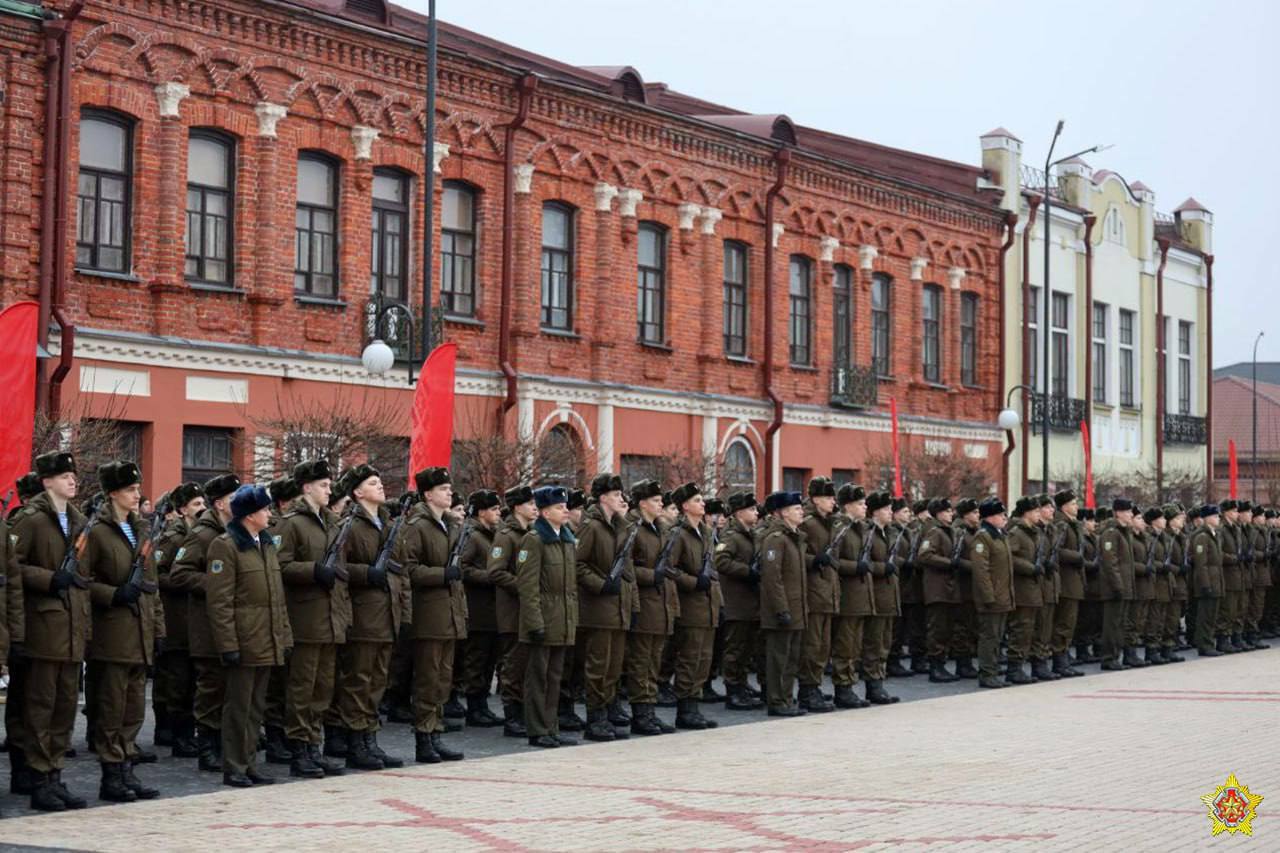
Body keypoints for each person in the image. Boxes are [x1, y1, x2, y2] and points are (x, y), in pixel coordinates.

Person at [11, 452, 89, 811]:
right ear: (46, 481)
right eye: (64, 475)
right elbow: (12, 568)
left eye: (72, 475)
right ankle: (38, 778)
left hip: (71, 628)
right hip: (43, 629)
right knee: (40, 708)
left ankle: (55, 774)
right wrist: (47, 579)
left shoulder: (77, 520)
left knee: (64, 707)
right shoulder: (30, 520)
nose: (72, 480)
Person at [83, 461, 162, 803]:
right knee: (111, 708)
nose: (136, 495)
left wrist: (158, 628)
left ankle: (127, 767)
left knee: (133, 709)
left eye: (137, 489)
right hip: (112, 634)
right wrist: (113, 594)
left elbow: (152, 584)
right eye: (130, 490)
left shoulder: (141, 529)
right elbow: (82, 582)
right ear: (113, 493)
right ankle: (111, 775)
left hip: (140, 630)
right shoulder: (96, 531)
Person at [207, 484, 292, 787]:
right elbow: (220, 602)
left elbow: (276, 597)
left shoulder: (266, 544)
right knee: (238, 708)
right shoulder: (226, 546)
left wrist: (283, 635)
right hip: (244, 640)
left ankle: (249, 762)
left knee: (256, 707)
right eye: (265, 509)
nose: (270, 513)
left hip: (265, 639)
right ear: (250, 514)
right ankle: (234, 766)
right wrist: (228, 644)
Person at [331, 465, 409, 770]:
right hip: (363, 615)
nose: (380, 487)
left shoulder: (388, 523)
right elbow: (338, 568)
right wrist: (367, 573)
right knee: (357, 682)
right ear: (357, 492)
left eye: (380, 481)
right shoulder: (349, 525)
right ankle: (354, 742)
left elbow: (401, 572)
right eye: (372, 483)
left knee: (377, 682)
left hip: (387, 614)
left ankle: (369, 739)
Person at [277, 459, 350, 778]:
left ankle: (314, 745)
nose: (329, 490)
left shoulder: (333, 523)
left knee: (322, 689)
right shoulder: (291, 523)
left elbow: (341, 573)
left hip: (330, 618)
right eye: (323, 485)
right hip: (305, 619)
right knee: (302, 689)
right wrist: (311, 571)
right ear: (306, 488)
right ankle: (299, 749)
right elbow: (279, 567)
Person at [169, 473, 240, 772]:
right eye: (235, 499)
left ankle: (225, 743)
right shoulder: (202, 534)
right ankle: (207, 746)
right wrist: (216, 583)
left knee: (229, 688)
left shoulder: (239, 531)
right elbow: (179, 573)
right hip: (207, 625)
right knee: (210, 688)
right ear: (221, 503)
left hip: (234, 623)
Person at [396, 466, 467, 763]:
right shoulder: (417, 526)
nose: (449, 493)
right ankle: (424, 739)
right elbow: (408, 569)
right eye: (443, 489)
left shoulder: (449, 525)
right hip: (429, 615)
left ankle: (436, 732)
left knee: (442, 680)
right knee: (427, 680)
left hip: (449, 615)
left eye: (449, 489)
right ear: (427, 494)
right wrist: (442, 573)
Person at [575, 474, 639, 742]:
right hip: (598, 608)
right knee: (598, 666)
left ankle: (607, 712)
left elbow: (629, 570)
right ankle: (595, 718)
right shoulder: (591, 527)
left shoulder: (622, 526)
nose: (620, 499)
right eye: (615, 495)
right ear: (603, 497)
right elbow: (578, 565)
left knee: (613, 667)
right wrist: (600, 585)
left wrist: (633, 604)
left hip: (619, 606)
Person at [517, 485, 580, 749]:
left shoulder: (565, 539)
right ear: (544, 512)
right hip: (543, 618)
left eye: (565, 507)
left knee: (555, 678)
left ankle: (551, 726)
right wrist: (534, 623)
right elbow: (527, 585)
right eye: (558, 507)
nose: (565, 511)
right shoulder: (534, 540)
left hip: (562, 619)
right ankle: (537, 728)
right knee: (538, 678)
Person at [153, 481, 206, 757]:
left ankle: (186, 732)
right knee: (177, 680)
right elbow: (157, 574)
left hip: (193, 619)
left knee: (191, 681)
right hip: (176, 618)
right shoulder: (173, 537)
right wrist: (184, 581)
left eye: (202, 503)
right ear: (183, 509)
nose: (202, 509)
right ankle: (174, 733)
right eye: (196, 504)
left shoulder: (199, 533)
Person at [664, 482, 723, 730]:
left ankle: (694, 705)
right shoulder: (679, 534)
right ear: (685, 506)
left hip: (708, 606)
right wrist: (691, 582)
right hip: (690, 606)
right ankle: (685, 710)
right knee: (689, 659)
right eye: (697, 500)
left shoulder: (707, 533)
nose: (703, 504)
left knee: (703, 659)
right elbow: (667, 567)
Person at [623, 479, 679, 735]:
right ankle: (640, 713)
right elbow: (624, 565)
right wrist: (649, 576)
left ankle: (650, 710)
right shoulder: (631, 528)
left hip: (662, 604)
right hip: (644, 603)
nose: (660, 504)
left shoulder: (662, 528)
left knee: (653, 661)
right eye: (656, 500)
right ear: (643, 502)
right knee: (640, 662)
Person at [488, 485, 537, 738]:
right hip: (512, 610)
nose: (535, 508)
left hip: (529, 610)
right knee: (513, 666)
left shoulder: (532, 533)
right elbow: (495, 571)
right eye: (530, 504)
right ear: (518, 506)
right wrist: (524, 586)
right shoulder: (506, 535)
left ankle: (524, 713)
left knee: (527, 664)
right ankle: (512, 716)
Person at [459, 489, 505, 729]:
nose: (498, 513)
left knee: (489, 660)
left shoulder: (493, 535)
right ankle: (474, 706)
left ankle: (483, 705)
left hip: (493, 608)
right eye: (494, 509)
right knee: (476, 660)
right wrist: (489, 576)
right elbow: (462, 568)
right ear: (481, 512)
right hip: (477, 608)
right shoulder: (472, 535)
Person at [759, 491, 807, 716]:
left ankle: (787, 699)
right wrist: (781, 609)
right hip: (782, 610)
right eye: (797, 509)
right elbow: (772, 577)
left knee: (791, 659)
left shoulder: (794, 537)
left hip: (796, 609)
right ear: (785, 512)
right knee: (779, 659)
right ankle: (777, 701)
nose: (801, 512)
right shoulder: (776, 539)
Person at [714, 490, 763, 712]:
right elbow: (721, 562)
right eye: (751, 509)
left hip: (750, 601)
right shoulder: (731, 536)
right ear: (739, 512)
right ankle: (732, 689)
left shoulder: (750, 534)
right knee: (735, 649)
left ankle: (741, 686)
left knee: (746, 649)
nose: (756, 512)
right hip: (736, 601)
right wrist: (747, 571)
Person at [797, 477, 839, 713]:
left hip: (828, 591)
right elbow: (796, 555)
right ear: (816, 499)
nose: (833, 501)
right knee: (812, 645)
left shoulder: (829, 523)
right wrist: (815, 560)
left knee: (823, 645)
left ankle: (815, 685)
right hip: (814, 592)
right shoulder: (809, 524)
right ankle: (807, 689)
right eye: (828, 497)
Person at [830, 485, 872, 708]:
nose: (864, 507)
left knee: (855, 645)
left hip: (861, 594)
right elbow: (834, 559)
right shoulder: (841, 528)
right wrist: (856, 567)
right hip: (846, 594)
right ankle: (842, 687)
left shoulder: (861, 528)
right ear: (848, 506)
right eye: (859, 503)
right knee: (845, 645)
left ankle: (850, 684)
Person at [861, 492, 901, 705]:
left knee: (885, 641)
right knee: (873, 643)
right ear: (875, 511)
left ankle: (880, 680)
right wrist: (882, 568)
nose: (890, 513)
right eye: (886, 509)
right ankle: (872, 684)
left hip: (889, 595)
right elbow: (864, 561)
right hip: (875, 594)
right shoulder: (868, 532)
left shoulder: (890, 532)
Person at [971, 498, 1014, 689]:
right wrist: (988, 596)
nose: (1004, 518)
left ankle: (993, 671)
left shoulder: (999, 535)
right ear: (990, 517)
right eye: (1000, 515)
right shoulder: (983, 537)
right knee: (989, 636)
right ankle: (987, 673)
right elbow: (981, 570)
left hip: (1003, 595)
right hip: (992, 597)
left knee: (997, 637)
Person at [916, 498, 960, 683]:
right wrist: (948, 563)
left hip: (948, 588)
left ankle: (941, 664)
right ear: (939, 513)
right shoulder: (934, 532)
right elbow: (924, 555)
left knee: (946, 628)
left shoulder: (948, 531)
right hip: (937, 588)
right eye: (948, 511)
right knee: (937, 628)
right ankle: (936, 666)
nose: (951, 514)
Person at [1005, 497, 1043, 684]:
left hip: (1033, 588)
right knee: (1020, 628)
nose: (1039, 514)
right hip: (1022, 589)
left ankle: (1020, 666)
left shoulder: (1034, 533)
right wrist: (1030, 567)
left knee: (1029, 629)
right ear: (1027, 512)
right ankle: (1014, 668)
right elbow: (1009, 557)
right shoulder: (1016, 533)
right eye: (1036, 511)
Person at [1050, 491, 1085, 677]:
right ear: (1063, 507)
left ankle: (1063, 657)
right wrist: (1077, 556)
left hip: (1074, 580)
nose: (1076, 506)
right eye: (1072, 503)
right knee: (1063, 623)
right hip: (1066, 580)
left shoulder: (1072, 524)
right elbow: (1056, 550)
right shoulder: (1062, 525)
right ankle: (1059, 660)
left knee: (1069, 623)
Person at [1099, 498, 1137, 670]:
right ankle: (1108, 658)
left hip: (1124, 586)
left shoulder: (1124, 531)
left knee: (1120, 624)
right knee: (1112, 624)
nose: (1131, 515)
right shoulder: (1112, 532)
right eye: (1128, 512)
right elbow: (1110, 562)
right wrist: (1118, 586)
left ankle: (1115, 656)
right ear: (1119, 512)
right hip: (1114, 587)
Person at [950, 498, 982, 679]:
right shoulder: (959, 532)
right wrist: (974, 566)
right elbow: (955, 558)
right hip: (962, 585)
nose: (978, 515)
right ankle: (963, 663)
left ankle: (968, 661)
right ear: (966, 515)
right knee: (962, 627)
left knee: (971, 626)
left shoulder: (973, 532)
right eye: (975, 512)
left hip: (973, 586)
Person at [1191, 504, 1225, 656]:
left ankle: (1209, 643)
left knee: (1212, 616)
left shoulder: (1213, 534)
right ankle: (1205, 645)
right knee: (1205, 616)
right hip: (1208, 583)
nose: (1218, 518)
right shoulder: (1202, 537)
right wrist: (1205, 584)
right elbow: (1201, 564)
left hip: (1215, 581)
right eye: (1215, 516)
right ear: (1207, 518)